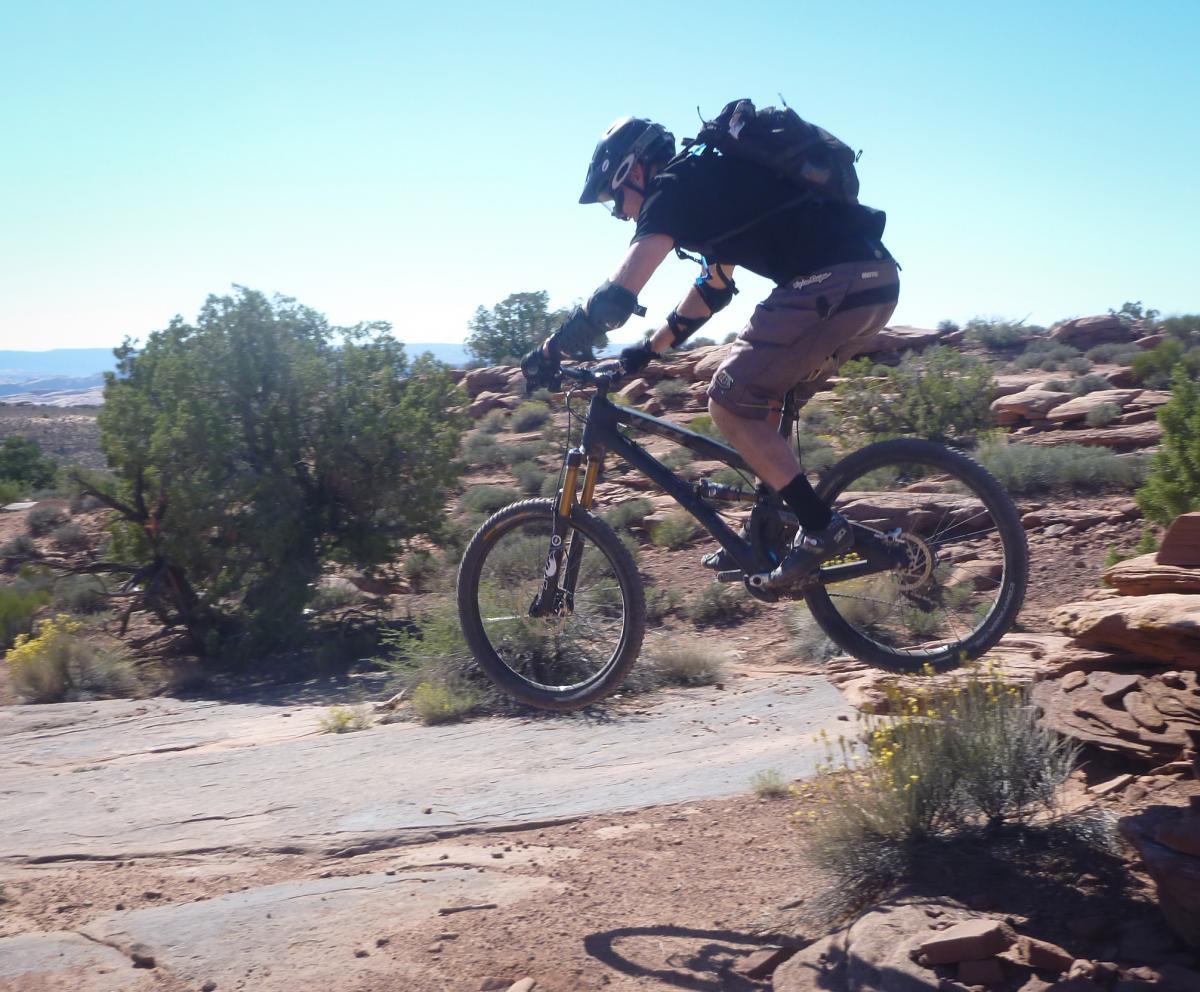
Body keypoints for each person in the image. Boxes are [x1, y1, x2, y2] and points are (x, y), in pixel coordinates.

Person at [521, 113, 899, 586]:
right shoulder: (709, 184)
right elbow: (714, 289)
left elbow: (616, 298)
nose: (617, 212)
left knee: (727, 399)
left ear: (634, 172)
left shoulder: (673, 187)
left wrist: (553, 348)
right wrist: (647, 350)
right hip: (873, 284)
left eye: (612, 198)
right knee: (758, 405)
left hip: (832, 284)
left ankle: (821, 528)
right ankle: (770, 532)